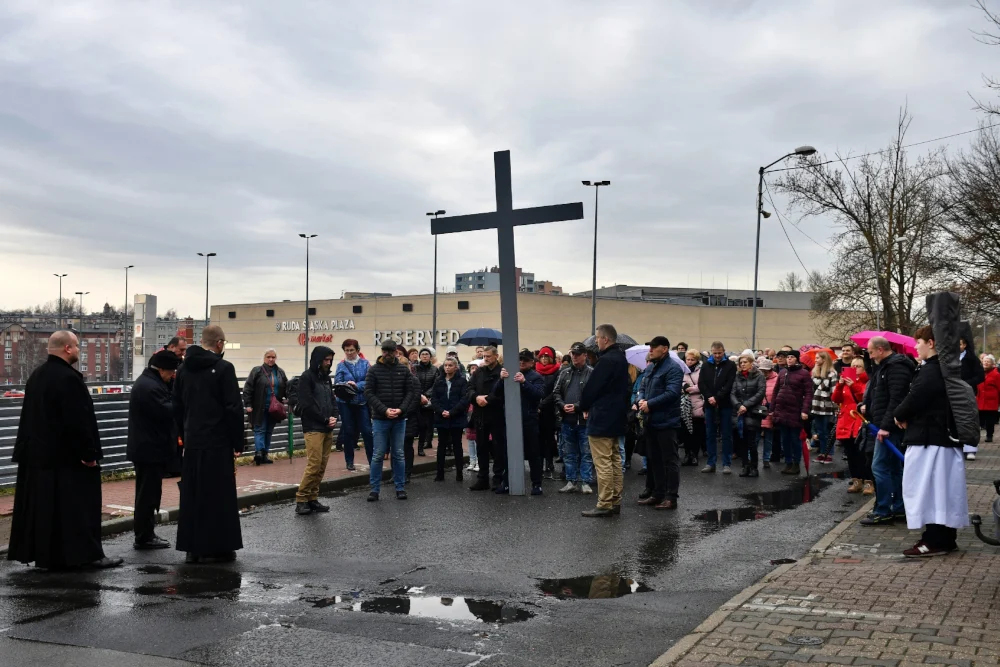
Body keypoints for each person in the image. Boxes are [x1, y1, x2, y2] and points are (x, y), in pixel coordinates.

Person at [8, 330, 123, 570]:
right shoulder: (69, 379)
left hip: (38, 457)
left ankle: (49, 557)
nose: (79, 350)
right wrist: (88, 454)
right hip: (67, 459)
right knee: (79, 508)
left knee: (47, 512)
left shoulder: (36, 376)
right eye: (78, 346)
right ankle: (88, 555)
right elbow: (78, 422)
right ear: (67, 348)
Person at [893, 325, 970, 556]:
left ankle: (935, 540)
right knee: (942, 492)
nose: (916, 346)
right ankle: (944, 538)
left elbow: (916, 397)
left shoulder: (932, 370)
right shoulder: (944, 367)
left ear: (931, 343)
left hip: (931, 441)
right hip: (938, 440)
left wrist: (899, 414)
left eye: (919, 342)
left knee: (930, 492)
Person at [172, 325, 244, 563]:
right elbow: (233, 408)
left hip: (193, 442)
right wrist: (238, 442)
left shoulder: (183, 369)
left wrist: (184, 435)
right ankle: (218, 547)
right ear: (219, 343)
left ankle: (192, 548)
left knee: (193, 496)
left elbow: (177, 406)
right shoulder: (224, 368)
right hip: (218, 442)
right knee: (218, 496)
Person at [127, 349, 180, 550]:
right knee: (147, 496)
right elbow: (168, 412)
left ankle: (146, 534)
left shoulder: (149, 382)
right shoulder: (150, 388)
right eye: (171, 372)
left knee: (149, 493)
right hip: (149, 450)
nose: (173, 376)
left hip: (148, 448)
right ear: (161, 369)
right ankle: (144, 536)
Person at [860, 336, 915, 526]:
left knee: (879, 467)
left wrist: (885, 427)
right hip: (886, 424)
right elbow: (879, 394)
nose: (870, 356)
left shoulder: (895, 367)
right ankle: (898, 507)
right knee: (893, 468)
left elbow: (896, 399)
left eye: (871, 352)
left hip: (889, 427)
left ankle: (883, 509)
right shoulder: (885, 367)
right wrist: (867, 405)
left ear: (880, 349)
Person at [579, 324, 631, 518]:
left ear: (605, 339)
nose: (596, 342)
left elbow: (593, 388)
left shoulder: (606, 360)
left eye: (598, 338)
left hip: (602, 417)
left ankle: (605, 503)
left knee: (603, 462)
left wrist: (583, 405)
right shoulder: (621, 359)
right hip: (617, 416)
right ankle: (615, 500)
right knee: (615, 460)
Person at [365, 340, 418, 501]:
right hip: (381, 418)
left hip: (399, 418)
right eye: (385, 351)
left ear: (396, 352)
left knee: (399, 454)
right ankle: (374, 489)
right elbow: (369, 393)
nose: (387, 354)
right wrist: (384, 410)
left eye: (390, 351)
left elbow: (410, 392)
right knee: (378, 454)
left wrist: (401, 409)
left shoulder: (403, 370)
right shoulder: (374, 370)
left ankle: (400, 487)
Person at [636, 336, 684, 509]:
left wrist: (650, 404)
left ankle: (671, 497)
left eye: (654, 347)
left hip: (666, 422)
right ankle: (658, 493)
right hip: (651, 421)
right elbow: (642, 388)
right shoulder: (651, 368)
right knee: (654, 458)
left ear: (664, 349)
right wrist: (641, 400)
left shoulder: (673, 368)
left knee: (669, 460)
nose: (650, 350)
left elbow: (672, 393)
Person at [294, 346, 339, 515]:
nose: (328, 363)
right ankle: (301, 499)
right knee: (314, 464)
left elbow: (332, 400)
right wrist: (325, 419)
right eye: (326, 360)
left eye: (330, 360)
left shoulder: (326, 378)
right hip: (313, 427)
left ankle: (312, 498)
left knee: (321, 465)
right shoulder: (307, 377)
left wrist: (334, 416)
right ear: (318, 360)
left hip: (327, 426)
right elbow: (307, 404)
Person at [498, 350, 546, 495]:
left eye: (525, 360)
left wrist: (524, 382)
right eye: (520, 359)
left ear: (532, 362)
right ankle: (507, 483)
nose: (522, 362)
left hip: (529, 419)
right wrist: (501, 380)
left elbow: (538, 395)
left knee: (533, 453)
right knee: (508, 452)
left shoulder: (536, 377)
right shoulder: (509, 374)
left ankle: (536, 484)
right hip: (510, 419)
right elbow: (496, 393)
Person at [553, 342, 595, 494]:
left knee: (586, 453)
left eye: (577, 354)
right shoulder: (564, 372)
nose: (574, 357)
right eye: (572, 354)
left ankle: (586, 481)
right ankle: (571, 481)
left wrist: (577, 406)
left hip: (584, 420)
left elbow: (594, 395)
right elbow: (556, 392)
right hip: (567, 419)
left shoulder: (592, 373)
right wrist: (562, 405)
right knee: (568, 452)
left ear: (585, 355)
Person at [468, 346, 507, 492]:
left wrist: (488, 400)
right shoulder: (479, 372)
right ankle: (482, 478)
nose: (486, 359)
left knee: (498, 447)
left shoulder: (501, 372)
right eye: (484, 356)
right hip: (480, 414)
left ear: (496, 356)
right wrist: (476, 397)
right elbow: (469, 388)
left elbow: (502, 392)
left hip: (496, 413)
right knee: (481, 447)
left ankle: (498, 478)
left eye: (488, 356)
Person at [242, 349, 287, 465]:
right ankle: (259, 453)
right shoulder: (257, 371)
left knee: (268, 431)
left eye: (273, 357)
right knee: (259, 429)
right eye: (268, 357)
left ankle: (265, 454)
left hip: (274, 408)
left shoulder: (280, 372)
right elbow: (248, 388)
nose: (271, 359)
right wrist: (248, 404)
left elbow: (286, 387)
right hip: (259, 406)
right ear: (264, 358)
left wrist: (290, 398)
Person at [771, 349, 813, 476]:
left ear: (797, 359)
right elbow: (776, 391)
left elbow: (808, 393)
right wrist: (772, 409)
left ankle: (796, 463)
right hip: (782, 410)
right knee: (785, 439)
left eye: (791, 357)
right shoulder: (782, 372)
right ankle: (788, 462)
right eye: (788, 357)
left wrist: (805, 410)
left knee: (795, 439)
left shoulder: (804, 373)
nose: (789, 359)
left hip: (795, 410)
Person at [832, 357, 870, 494]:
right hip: (846, 421)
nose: (855, 369)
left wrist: (853, 385)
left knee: (862, 454)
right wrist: (840, 385)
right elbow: (836, 399)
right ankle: (856, 480)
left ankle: (868, 481)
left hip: (858, 420)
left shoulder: (867, 382)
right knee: (851, 453)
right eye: (853, 366)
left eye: (858, 366)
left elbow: (863, 398)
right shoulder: (845, 382)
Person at [698, 341, 737, 474]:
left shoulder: (730, 365)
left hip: (725, 404)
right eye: (715, 353)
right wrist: (709, 396)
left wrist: (717, 397)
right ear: (712, 352)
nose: (717, 356)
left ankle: (726, 463)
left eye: (720, 353)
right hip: (709, 404)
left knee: (726, 434)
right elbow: (701, 383)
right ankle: (711, 462)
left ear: (724, 351)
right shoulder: (705, 365)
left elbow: (729, 384)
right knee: (710, 434)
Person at [334, 339, 373, 470]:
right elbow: (338, 383)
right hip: (346, 402)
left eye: (352, 350)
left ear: (357, 350)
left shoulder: (365, 363)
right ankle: (349, 461)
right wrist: (347, 385)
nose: (349, 353)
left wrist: (356, 385)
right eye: (347, 350)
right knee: (348, 431)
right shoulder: (341, 365)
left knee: (367, 431)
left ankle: (372, 460)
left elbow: (369, 381)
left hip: (362, 402)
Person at [432, 357, 470, 482]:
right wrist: (441, 411)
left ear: (456, 367)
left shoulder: (462, 381)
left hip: (456, 417)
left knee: (457, 444)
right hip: (441, 417)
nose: (447, 367)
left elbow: (464, 399)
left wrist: (452, 412)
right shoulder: (439, 380)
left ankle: (459, 472)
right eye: (446, 365)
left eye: (450, 365)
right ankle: (440, 472)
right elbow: (434, 399)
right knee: (441, 445)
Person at [731, 353, 766, 477]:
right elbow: (732, 393)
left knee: (752, 442)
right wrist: (738, 405)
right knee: (742, 442)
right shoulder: (737, 376)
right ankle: (745, 466)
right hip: (739, 413)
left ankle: (754, 467)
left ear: (751, 363)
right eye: (741, 362)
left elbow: (760, 393)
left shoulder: (759, 376)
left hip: (752, 412)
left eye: (745, 362)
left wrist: (746, 405)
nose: (742, 364)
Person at [535, 346, 561, 479]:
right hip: (536, 409)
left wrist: (542, 404)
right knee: (538, 437)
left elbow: (555, 391)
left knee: (549, 437)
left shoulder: (557, 372)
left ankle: (549, 462)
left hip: (550, 409)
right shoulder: (536, 370)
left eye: (547, 356)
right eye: (542, 356)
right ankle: (539, 463)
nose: (544, 359)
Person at [960, 335, 986, 460]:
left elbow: (980, 376)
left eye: (960, 344)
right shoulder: (949, 358)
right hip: (952, 393)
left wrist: (967, 383)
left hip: (968, 393)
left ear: (964, 345)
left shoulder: (972, 359)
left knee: (969, 420)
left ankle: (970, 448)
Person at [810, 350, 839, 464]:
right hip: (816, 406)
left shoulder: (832, 374)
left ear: (824, 359)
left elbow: (834, 392)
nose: (815, 360)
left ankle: (829, 454)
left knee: (827, 432)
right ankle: (822, 453)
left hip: (827, 407)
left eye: (818, 358)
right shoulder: (815, 374)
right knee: (820, 432)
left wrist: (836, 408)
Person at [680, 350, 705, 466]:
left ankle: (694, 454)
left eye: (692, 359)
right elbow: (678, 383)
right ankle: (687, 454)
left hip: (698, 403)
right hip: (685, 404)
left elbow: (703, 385)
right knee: (685, 431)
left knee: (696, 431)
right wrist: (684, 387)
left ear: (697, 360)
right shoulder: (682, 370)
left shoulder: (701, 370)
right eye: (688, 359)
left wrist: (691, 389)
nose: (689, 362)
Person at [414, 348, 440, 457]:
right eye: (423, 354)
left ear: (430, 357)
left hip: (429, 400)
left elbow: (436, 384)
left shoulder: (434, 369)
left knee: (426, 424)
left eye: (427, 354)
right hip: (416, 399)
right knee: (417, 425)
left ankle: (422, 446)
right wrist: (420, 395)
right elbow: (414, 382)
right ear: (420, 356)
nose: (425, 356)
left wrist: (427, 395)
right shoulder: (415, 368)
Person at [756, 358, 778, 469]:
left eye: (766, 370)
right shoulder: (757, 378)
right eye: (762, 370)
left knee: (768, 438)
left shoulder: (777, 379)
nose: (764, 372)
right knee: (755, 438)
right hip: (757, 411)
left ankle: (766, 459)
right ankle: (752, 458)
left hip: (770, 411)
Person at [976, 354, 1000, 443]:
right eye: (984, 361)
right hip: (980, 400)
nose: (985, 363)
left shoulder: (996, 374)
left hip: (991, 402)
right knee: (979, 420)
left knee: (990, 421)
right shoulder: (979, 373)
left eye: (988, 362)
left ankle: (989, 435)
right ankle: (977, 436)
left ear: (992, 364)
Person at [465, 362, 480, 472]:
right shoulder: (468, 382)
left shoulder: (480, 381)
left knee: (477, 439)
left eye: (476, 368)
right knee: (470, 438)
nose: (473, 370)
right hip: (469, 412)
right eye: (472, 368)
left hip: (477, 410)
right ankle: (472, 460)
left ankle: (479, 461)